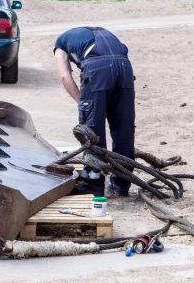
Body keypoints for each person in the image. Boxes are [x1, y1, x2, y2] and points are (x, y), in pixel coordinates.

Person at [54, 26, 135, 196]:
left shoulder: (60, 43)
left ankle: (93, 180)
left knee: (92, 129)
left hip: (98, 69)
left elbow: (65, 76)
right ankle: (122, 183)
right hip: (124, 66)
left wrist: (82, 102)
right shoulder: (102, 32)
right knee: (123, 126)